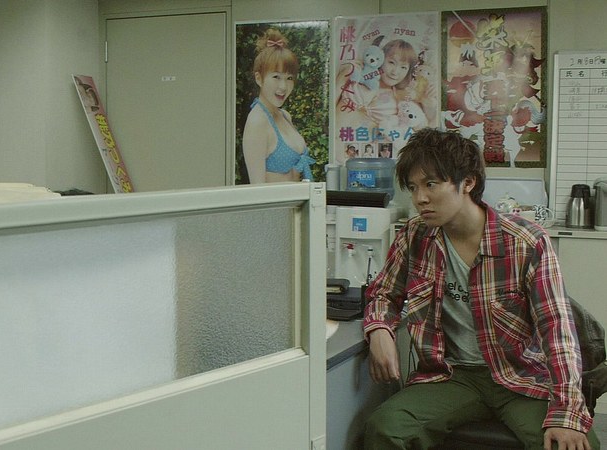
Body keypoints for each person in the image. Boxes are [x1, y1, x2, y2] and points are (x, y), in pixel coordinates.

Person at [362, 128, 599, 450]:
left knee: (571, 443)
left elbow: (557, 329)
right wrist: (379, 328)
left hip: (522, 375)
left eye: (431, 184)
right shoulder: (415, 235)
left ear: (468, 183)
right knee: (385, 429)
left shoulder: (525, 242)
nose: (420, 198)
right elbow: (384, 292)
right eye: (413, 187)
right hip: (451, 375)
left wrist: (566, 411)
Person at [242, 28, 315, 183]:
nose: (283, 86)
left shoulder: (285, 115)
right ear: (259, 78)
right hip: (277, 200)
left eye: (289, 78)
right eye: (276, 77)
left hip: (299, 198)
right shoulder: (257, 121)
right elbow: (257, 188)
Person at [336, 39, 436, 135]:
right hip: (348, 136)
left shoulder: (403, 97)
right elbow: (336, 121)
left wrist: (428, 105)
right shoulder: (359, 79)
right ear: (381, 58)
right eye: (391, 62)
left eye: (403, 67)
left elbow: (423, 129)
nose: (395, 72)